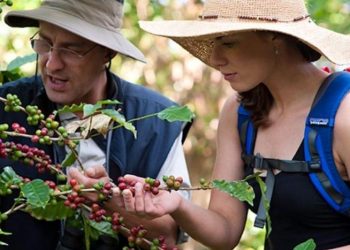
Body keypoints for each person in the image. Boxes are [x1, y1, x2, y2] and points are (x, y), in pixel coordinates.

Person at [113, 0, 350, 249]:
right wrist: (176, 205)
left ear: (275, 38)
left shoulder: (343, 114)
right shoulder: (241, 112)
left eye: (228, 42)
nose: (215, 58)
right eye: (213, 43)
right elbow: (225, 230)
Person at [0, 0, 191, 249]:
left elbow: (166, 238)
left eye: (72, 50)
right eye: (45, 44)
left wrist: (107, 200)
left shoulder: (154, 121)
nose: (51, 63)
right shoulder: (9, 108)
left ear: (107, 52)